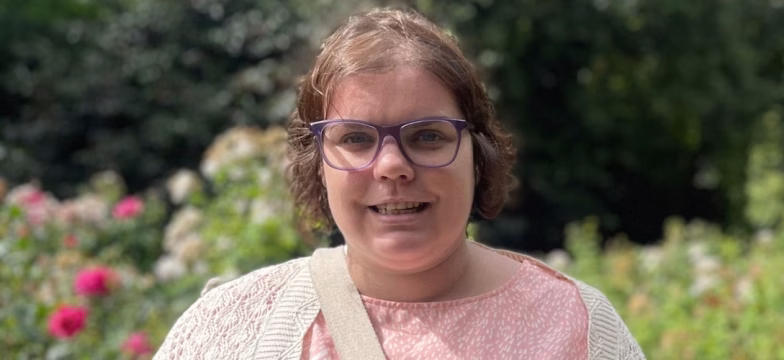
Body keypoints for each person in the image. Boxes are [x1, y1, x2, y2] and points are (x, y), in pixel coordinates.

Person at [155, 8, 643, 359]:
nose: (391, 165)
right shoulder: (234, 328)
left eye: (427, 136)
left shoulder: (574, 327)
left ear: (477, 153)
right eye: (356, 138)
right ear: (317, 162)